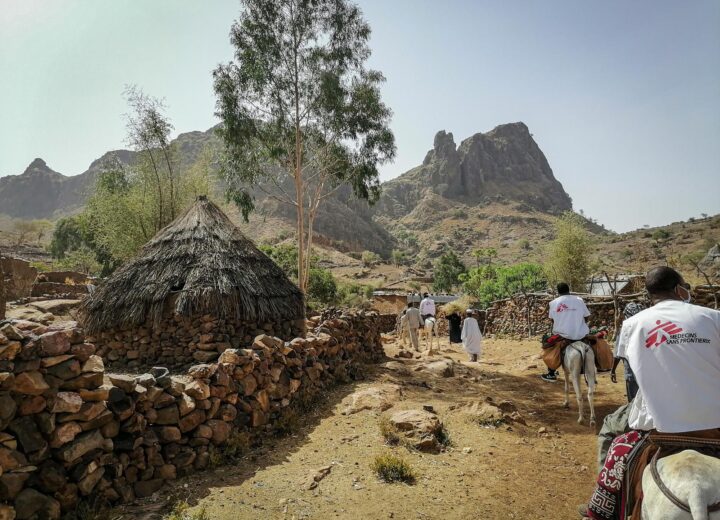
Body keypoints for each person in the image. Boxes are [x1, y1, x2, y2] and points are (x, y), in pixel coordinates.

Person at [581, 266, 720, 519]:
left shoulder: (633, 323)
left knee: (612, 431)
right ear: (680, 289)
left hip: (658, 424)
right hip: (715, 420)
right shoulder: (714, 317)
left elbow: (634, 367)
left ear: (649, 293)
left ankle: (602, 507)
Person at [541, 282, 591, 382]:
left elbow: (552, 319)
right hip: (581, 333)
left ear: (558, 291)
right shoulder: (579, 300)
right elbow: (587, 316)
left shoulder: (554, 303)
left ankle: (551, 373)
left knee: (548, 345)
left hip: (562, 334)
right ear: (569, 290)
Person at [609, 302, 645, 402]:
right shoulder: (647, 327)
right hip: (646, 371)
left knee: (633, 402)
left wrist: (612, 370)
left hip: (631, 372)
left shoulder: (625, 329)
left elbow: (618, 353)